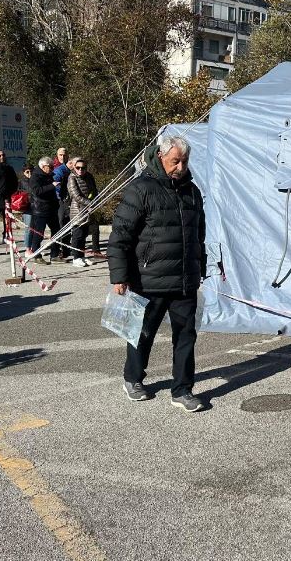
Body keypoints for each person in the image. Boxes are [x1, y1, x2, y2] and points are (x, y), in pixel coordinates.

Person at [108, 136, 207, 413]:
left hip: (185, 279)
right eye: (175, 161)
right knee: (143, 332)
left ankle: (183, 390)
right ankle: (133, 379)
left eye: (184, 161)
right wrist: (119, 276)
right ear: (161, 157)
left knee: (186, 335)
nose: (181, 167)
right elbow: (120, 237)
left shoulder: (192, 192)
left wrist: (201, 267)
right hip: (148, 278)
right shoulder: (140, 190)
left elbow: (199, 234)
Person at [26, 156, 61, 265]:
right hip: (40, 209)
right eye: (49, 167)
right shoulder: (35, 176)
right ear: (42, 166)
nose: (52, 168)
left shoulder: (49, 175)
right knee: (38, 233)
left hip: (51, 208)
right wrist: (52, 186)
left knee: (57, 231)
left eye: (52, 166)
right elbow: (37, 191)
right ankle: (37, 255)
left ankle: (54, 254)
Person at [67, 156, 98, 268]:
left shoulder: (89, 176)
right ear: (74, 168)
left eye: (83, 168)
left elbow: (94, 189)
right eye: (78, 167)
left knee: (84, 234)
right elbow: (75, 195)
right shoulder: (72, 178)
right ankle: (76, 258)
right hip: (77, 210)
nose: (80, 170)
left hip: (88, 210)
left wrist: (95, 199)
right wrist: (89, 203)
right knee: (77, 235)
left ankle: (82, 255)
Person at [53, 155, 74, 262]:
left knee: (68, 223)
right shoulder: (60, 170)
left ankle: (66, 248)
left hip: (69, 200)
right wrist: (61, 194)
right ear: (70, 163)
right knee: (62, 223)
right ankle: (59, 249)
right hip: (61, 200)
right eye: (74, 165)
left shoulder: (71, 171)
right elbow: (55, 181)